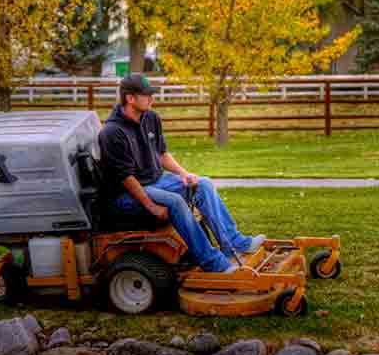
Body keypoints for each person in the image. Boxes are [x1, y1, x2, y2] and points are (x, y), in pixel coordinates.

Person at [97, 74, 263, 274]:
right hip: (128, 194)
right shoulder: (112, 132)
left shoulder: (151, 117)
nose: (152, 99)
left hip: (157, 181)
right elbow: (126, 179)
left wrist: (185, 174)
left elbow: (162, 154)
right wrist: (152, 207)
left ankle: (234, 244)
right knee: (175, 201)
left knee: (203, 184)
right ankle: (214, 263)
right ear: (130, 98)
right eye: (147, 95)